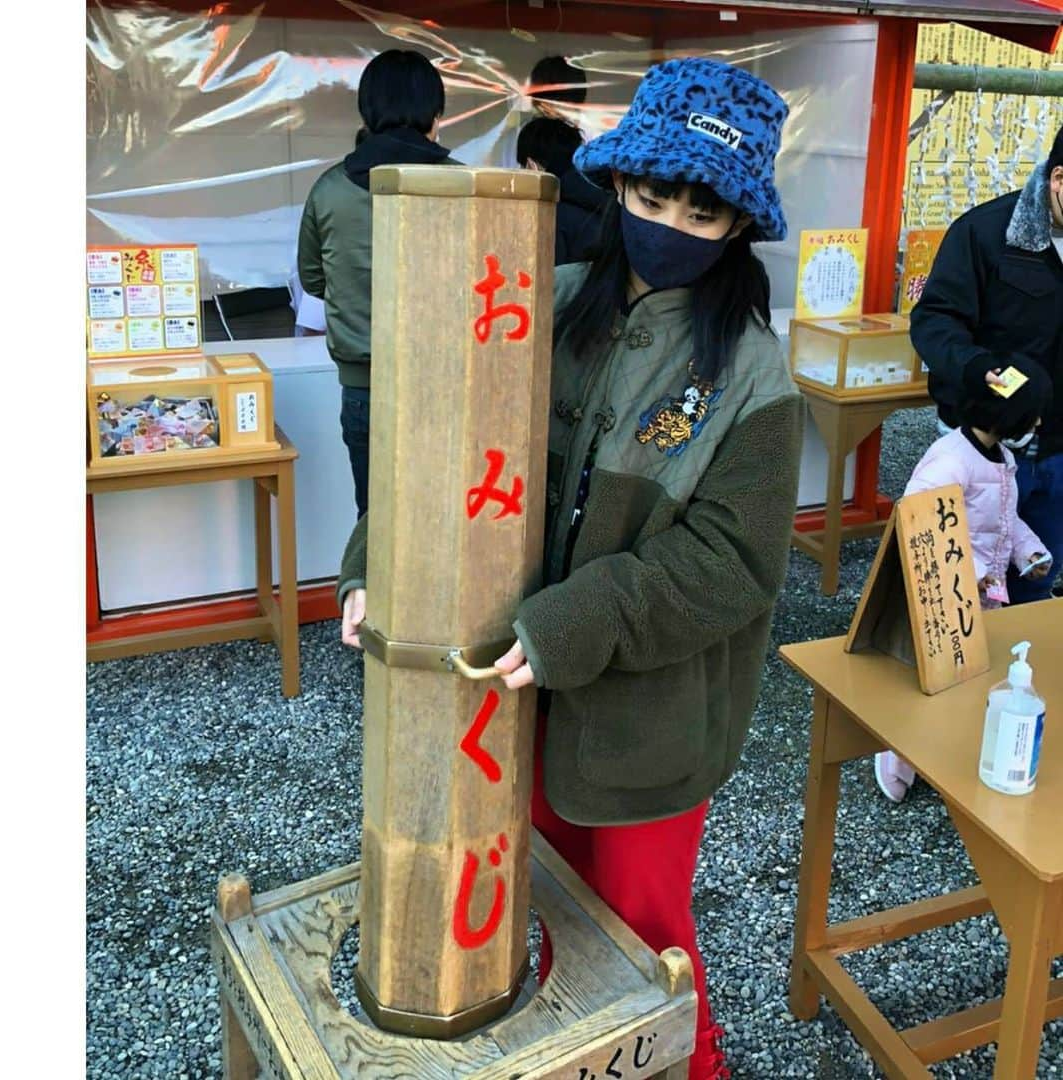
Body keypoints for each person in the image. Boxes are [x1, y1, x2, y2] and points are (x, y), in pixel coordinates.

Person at [338, 58, 804, 1080]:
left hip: (648, 728)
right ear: (619, 184)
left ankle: (696, 1067)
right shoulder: (531, 304)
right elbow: (432, 436)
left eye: (704, 208)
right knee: (526, 914)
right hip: (509, 707)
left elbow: (730, 565)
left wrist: (572, 625)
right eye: (653, 194)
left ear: (739, 225)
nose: (672, 222)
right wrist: (378, 563)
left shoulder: (756, 379)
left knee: (646, 945)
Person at [874, 356, 1053, 803]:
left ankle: (942, 757)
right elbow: (919, 519)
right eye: (1032, 413)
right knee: (927, 679)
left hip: (980, 595)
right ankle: (895, 755)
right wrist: (969, 573)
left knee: (968, 678)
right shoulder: (952, 460)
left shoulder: (1002, 459)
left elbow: (1006, 520)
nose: (1037, 422)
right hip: (942, 593)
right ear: (1009, 416)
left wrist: (1029, 554)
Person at [910, 123, 1063, 604]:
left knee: (1036, 580)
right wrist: (975, 366)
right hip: (984, 443)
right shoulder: (985, 232)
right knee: (963, 594)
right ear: (1059, 180)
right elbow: (934, 320)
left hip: (1061, 451)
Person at [298, 51, 455, 519]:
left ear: (367, 112)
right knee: (444, 521)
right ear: (436, 116)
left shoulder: (328, 189)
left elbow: (312, 280)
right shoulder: (465, 186)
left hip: (364, 387)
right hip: (447, 386)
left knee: (376, 522)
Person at [516, 116, 610, 264]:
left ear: (532, 165)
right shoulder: (606, 194)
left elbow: (546, 280)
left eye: (522, 167)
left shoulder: (551, 214)